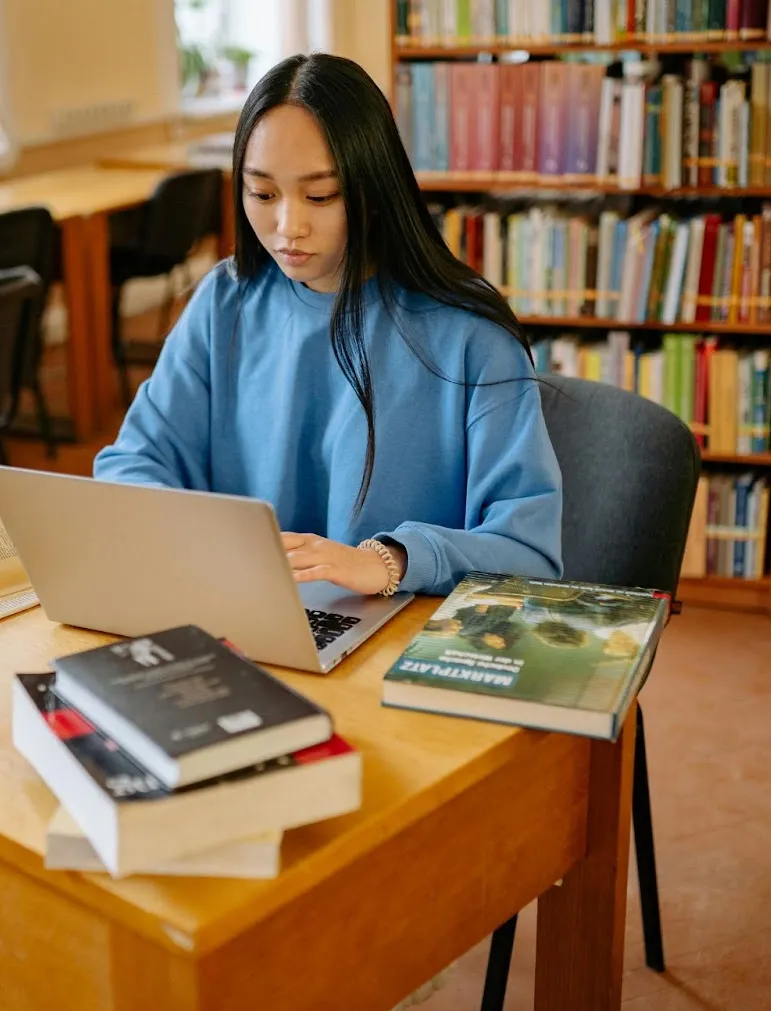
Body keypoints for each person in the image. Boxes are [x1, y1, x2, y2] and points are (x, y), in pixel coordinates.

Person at [94, 52, 563, 600]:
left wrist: (392, 560)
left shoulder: (469, 334)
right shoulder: (225, 299)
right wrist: (180, 530)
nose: (287, 226)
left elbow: (528, 550)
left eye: (320, 195)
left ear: (373, 189)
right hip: (248, 617)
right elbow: (133, 461)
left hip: (395, 635)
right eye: (262, 194)